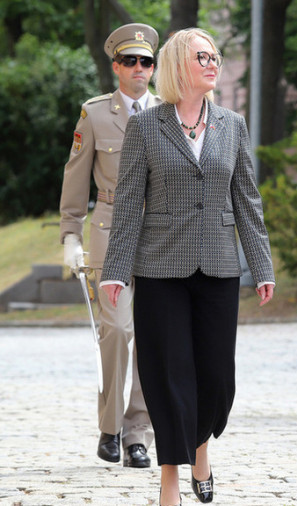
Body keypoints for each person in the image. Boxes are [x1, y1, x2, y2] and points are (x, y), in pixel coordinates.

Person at [100, 28, 275, 506]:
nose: (213, 63)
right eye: (204, 56)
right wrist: (115, 270)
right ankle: (170, 479)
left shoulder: (232, 125)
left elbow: (247, 202)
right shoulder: (146, 126)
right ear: (181, 64)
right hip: (159, 269)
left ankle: (202, 448)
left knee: (216, 378)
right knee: (167, 372)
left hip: (218, 267)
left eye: (216, 56)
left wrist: (262, 267)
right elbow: (129, 203)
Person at [59, 22, 160, 469]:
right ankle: (110, 425)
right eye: (131, 61)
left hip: (160, 235)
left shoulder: (170, 110)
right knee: (117, 331)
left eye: (147, 61)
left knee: (153, 339)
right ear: (116, 66)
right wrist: (69, 235)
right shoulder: (96, 114)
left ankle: (139, 432)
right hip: (109, 231)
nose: (139, 68)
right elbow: (75, 179)